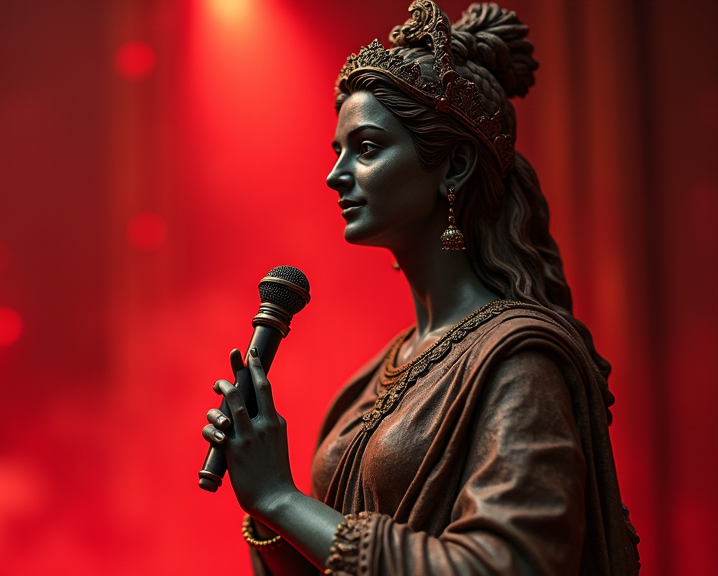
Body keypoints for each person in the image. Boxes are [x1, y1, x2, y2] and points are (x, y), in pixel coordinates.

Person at [199, 2, 641, 575]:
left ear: (453, 166)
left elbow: (510, 566)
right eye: (337, 151)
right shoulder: (376, 374)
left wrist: (283, 498)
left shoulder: (519, 360)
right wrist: (265, 503)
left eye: (365, 148)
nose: (335, 174)